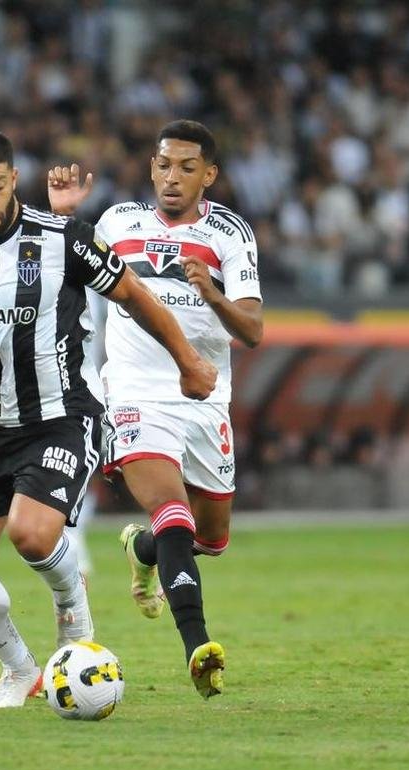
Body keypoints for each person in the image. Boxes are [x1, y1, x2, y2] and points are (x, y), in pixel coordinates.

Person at [0, 128, 216, 708]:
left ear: (14, 180)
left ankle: (75, 621)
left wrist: (188, 361)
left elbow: (136, 294)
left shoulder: (63, 237)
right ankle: (19, 669)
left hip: (58, 414)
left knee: (33, 533)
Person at [47, 120, 263, 699]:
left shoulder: (230, 234)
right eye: (164, 165)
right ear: (152, 168)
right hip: (133, 394)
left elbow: (253, 329)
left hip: (204, 397)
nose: (172, 177)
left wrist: (212, 294)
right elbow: (57, 265)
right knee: (172, 508)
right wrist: (67, 219)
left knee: (210, 539)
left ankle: (142, 551)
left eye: (187, 168)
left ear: (208, 175)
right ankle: (198, 645)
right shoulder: (118, 223)